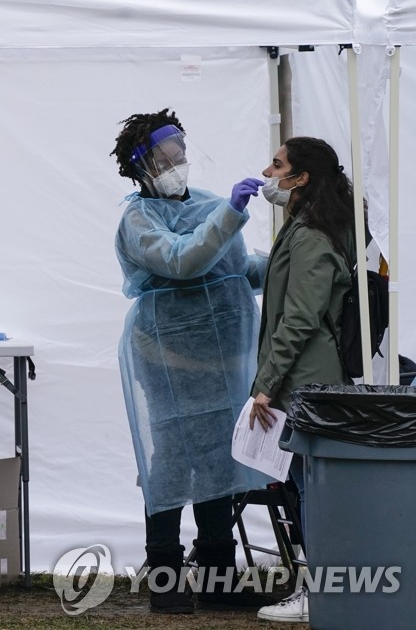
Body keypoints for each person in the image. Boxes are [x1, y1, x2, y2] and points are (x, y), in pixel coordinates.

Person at [112, 109, 273, 614]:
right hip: (166, 357)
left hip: (220, 361)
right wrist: (231, 211)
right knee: (172, 463)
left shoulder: (205, 204)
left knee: (217, 460)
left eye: (180, 152)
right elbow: (184, 261)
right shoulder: (138, 220)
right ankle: (165, 576)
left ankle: (218, 580)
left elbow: (237, 267)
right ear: (142, 166)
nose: (179, 162)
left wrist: (291, 258)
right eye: (167, 157)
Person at [249, 137, 356, 624]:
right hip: (303, 381)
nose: (268, 173)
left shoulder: (311, 237)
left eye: (277, 165)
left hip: (306, 383)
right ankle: (316, 587)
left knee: (310, 487)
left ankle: (318, 592)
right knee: (301, 485)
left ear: (301, 178)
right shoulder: (304, 228)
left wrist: (266, 384)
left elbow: (298, 321)